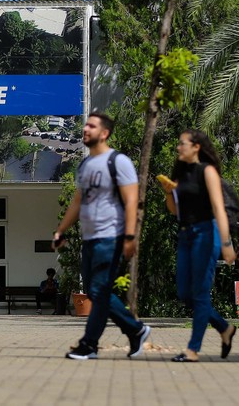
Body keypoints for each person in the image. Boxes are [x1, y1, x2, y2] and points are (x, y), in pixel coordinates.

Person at [51, 111, 152, 360]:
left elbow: (131, 201)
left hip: (112, 236)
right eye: (86, 125)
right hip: (89, 239)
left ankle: (90, 344)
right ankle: (135, 330)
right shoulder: (85, 165)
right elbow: (77, 202)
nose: (85, 129)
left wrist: (130, 237)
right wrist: (61, 230)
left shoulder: (118, 162)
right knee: (97, 292)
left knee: (98, 290)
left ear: (104, 133)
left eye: (91, 126)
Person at [160, 129, 238, 362]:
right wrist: (168, 194)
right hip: (185, 235)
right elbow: (175, 211)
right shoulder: (181, 174)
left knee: (201, 293)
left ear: (196, 147)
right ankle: (224, 328)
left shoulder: (208, 171)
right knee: (185, 293)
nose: (178, 147)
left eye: (182, 143)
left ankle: (193, 349)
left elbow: (218, 208)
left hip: (207, 233)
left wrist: (226, 242)